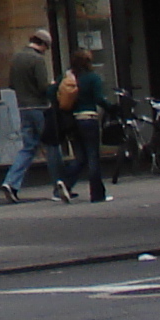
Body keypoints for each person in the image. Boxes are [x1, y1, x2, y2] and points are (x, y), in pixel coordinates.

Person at [1, 30, 55, 204]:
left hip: (23, 107)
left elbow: (11, 84)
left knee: (28, 147)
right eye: (46, 47)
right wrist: (52, 86)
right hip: (40, 107)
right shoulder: (37, 60)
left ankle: (11, 182)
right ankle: (61, 185)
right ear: (43, 45)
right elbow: (42, 87)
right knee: (51, 145)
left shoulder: (16, 57)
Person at [58, 49, 111, 205]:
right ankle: (97, 194)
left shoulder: (68, 78)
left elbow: (52, 92)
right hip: (88, 119)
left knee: (80, 157)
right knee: (93, 157)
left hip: (72, 121)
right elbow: (99, 98)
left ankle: (65, 183)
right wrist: (111, 108)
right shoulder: (93, 78)